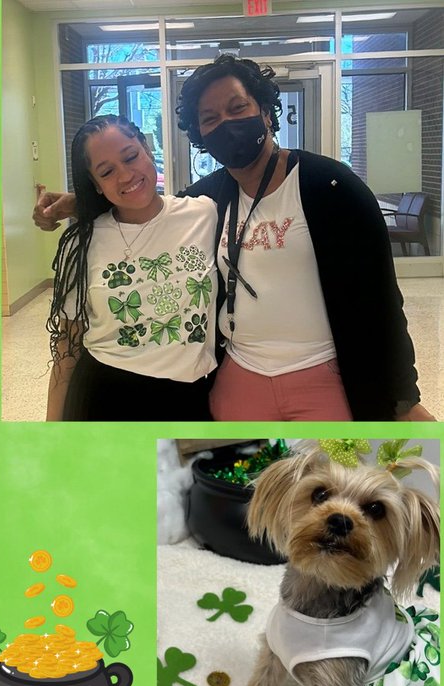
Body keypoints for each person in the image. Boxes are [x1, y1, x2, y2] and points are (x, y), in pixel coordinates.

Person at [35, 56, 432, 422]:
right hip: (229, 380)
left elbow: (380, 300)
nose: (226, 123)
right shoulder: (211, 198)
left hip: (317, 375)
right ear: (200, 134)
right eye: (210, 118)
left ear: (263, 109)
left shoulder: (329, 186)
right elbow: (141, 205)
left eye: (237, 108)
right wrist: (79, 204)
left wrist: (402, 398)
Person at [45, 115, 217, 421]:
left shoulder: (204, 212)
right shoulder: (82, 243)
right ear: (95, 185)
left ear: (148, 151)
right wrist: (51, 432)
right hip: (108, 395)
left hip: (192, 396)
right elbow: (66, 348)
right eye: (107, 171)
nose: (125, 175)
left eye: (131, 156)